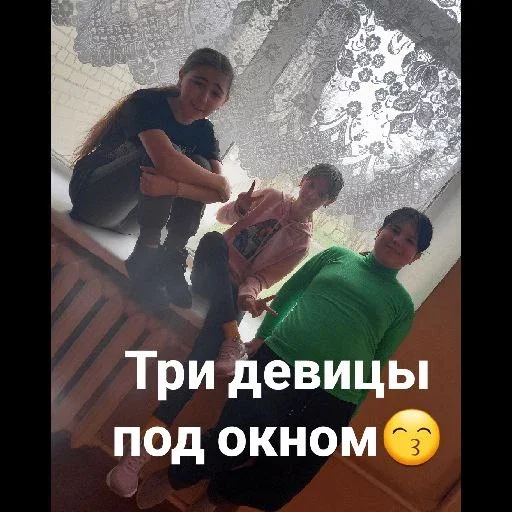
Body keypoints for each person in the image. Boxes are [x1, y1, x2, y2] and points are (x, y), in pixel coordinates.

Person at [132, 207, 434, 511]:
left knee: (280, 484)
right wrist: (263, 336)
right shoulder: (337, 256)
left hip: (335, 397)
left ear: (416, 256)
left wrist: (349, 416)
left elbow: (377, 363)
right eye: (394, 229)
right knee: (231, 440)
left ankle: (217, 495)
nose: (398, 240)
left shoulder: (402, 306)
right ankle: (174, 477)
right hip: (279, 361)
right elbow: (289, 293)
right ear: (380, 230)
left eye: (410, 240)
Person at [105, 163, 344, 499]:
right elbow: (222, 217)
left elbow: (261, 279)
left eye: (321, 194)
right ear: (302, 181)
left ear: (327, 203)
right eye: (311, 185)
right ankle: (232, 335)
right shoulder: (271, 196)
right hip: (208, 270)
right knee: (215, 241)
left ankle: (137, 458)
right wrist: (240, 208)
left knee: (198, 363)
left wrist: (248, 298)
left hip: (232, 298)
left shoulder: (301, 243)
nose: (312, 194)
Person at [68, 48, 234, 310]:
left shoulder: (205, 131)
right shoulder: (147, 102)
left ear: (223, 101)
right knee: (168, 154)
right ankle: (144, 256)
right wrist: (220, 183)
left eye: (215, 93)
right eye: (198, 83)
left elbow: (218, 193)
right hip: (93, 201)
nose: (204, 97)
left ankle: (171, 256)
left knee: (199, 164)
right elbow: (168, 161)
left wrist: (176, 188)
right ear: (181, 76)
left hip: (134, 222)